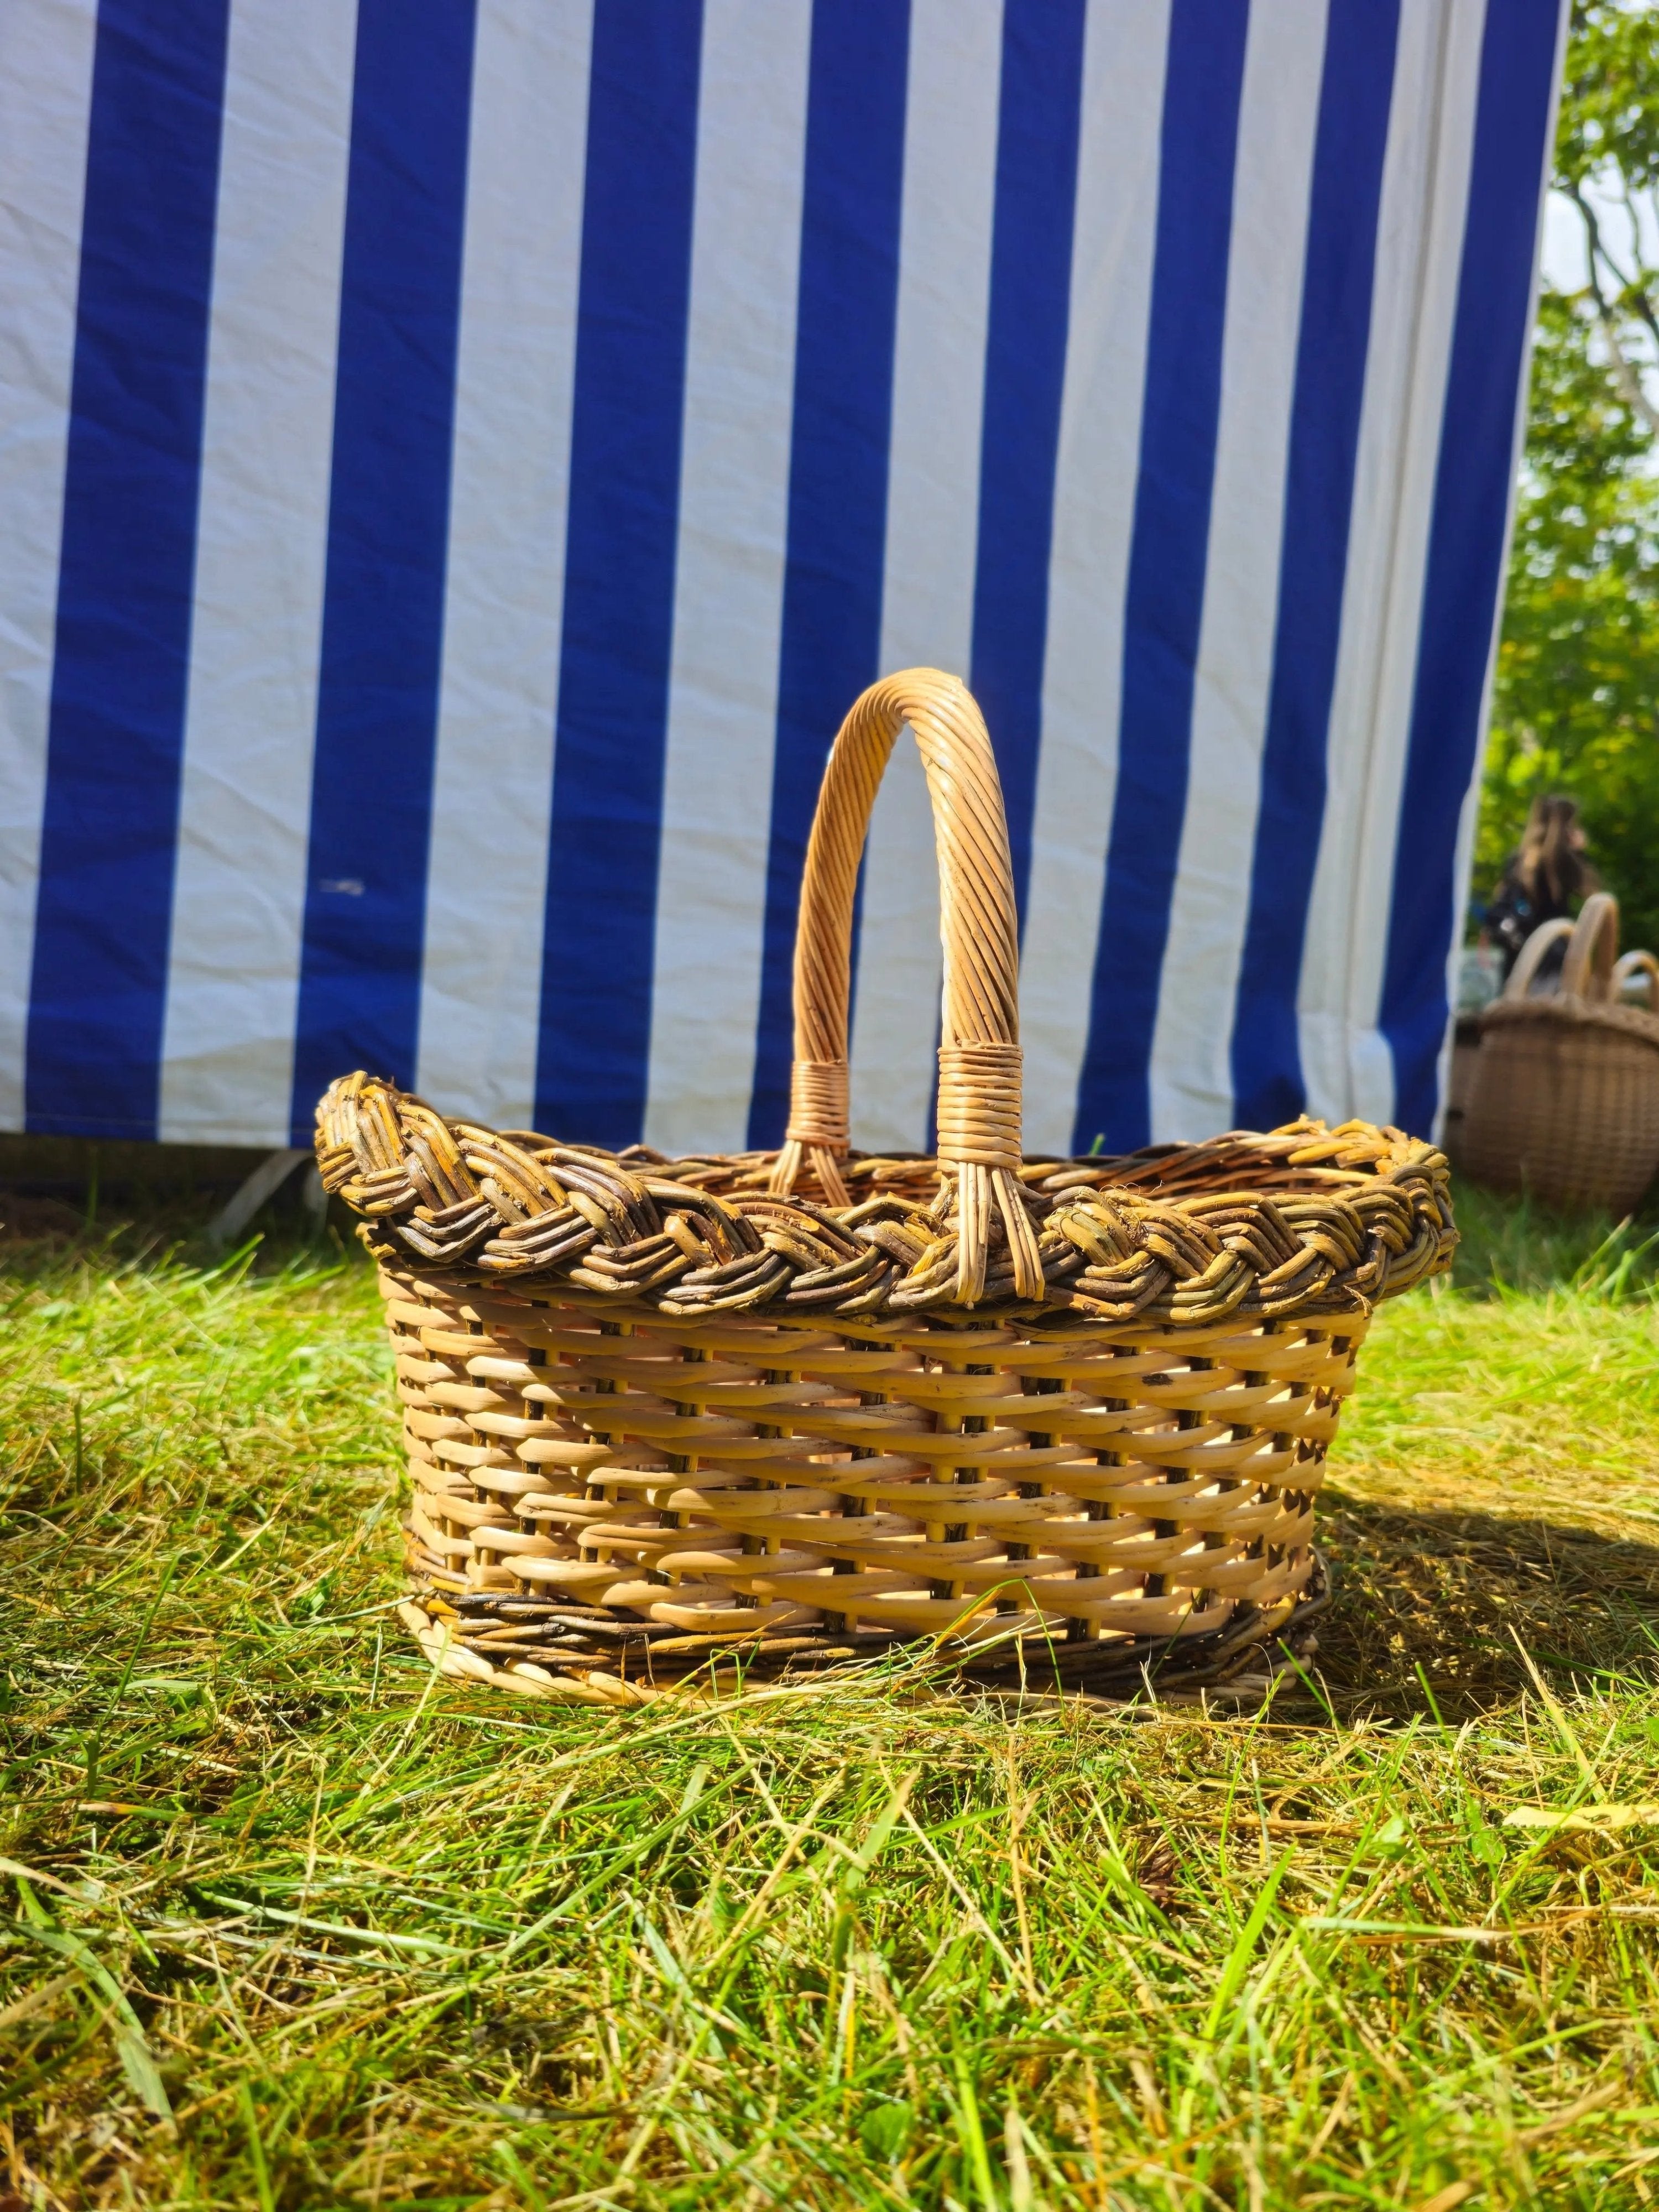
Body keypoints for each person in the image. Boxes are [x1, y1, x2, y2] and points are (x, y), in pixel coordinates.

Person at [1481, 795, 1598, 978]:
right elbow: (1590, 891)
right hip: (1552, 953)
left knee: (1518, 1001)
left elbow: (1502, 901)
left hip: (1520, 955)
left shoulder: (1519, 861)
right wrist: (1580, 852)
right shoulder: (1565, 862)